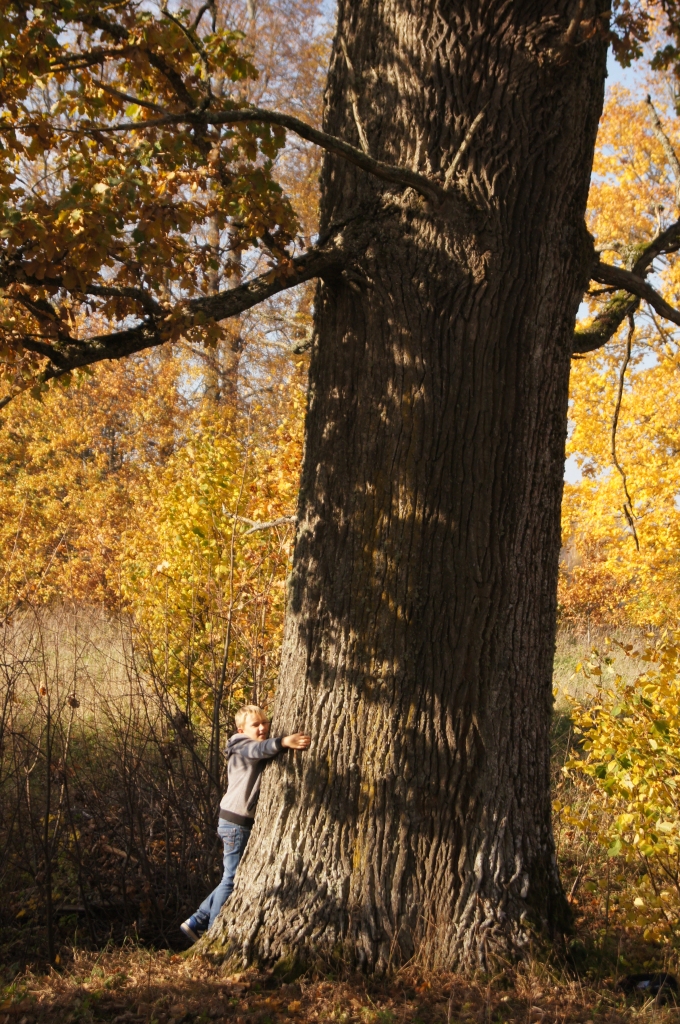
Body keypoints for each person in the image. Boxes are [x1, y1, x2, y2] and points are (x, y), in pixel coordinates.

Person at [180, 704, 311, 943]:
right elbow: (258, 749)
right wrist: (284, 742)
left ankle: (197, 920)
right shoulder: (240, 744)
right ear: (242, 729)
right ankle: (209, 929)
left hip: (237, 821)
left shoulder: (250, 744)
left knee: (232, 876)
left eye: (265, 722)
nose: (262, 728)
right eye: (255, 725)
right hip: (234, 822)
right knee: (231, 879)